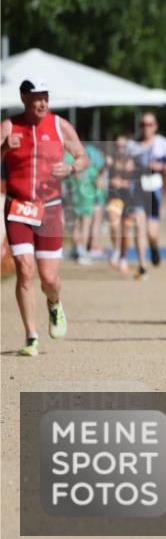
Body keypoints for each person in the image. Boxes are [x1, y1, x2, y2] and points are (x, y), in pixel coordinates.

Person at [1, 78, 89, 356]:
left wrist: (72, 168)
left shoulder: (60, 125)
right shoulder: (9, 126)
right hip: (18, 208)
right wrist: (4, 149)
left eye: (45, 97)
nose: (42, 103)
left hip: (50, 208)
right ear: (24, 98)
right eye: (36, 97)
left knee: (48, 278)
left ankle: (54, 302)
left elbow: (83, 156)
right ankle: (31, 337)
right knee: (24, 271)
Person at [128, 112, 166, 267]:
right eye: (143, 124)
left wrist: (160, 167)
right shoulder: (133, 145)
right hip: (137, 191)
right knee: (139, 228)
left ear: (155, 127)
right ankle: (142, 266)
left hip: (154, 192)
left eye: (150, 124)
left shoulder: (162, 143)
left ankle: (154, 248)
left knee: (152, 233)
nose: (146, 128)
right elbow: (124, 165)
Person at [105, 134, 142, 276]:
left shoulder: (131, 162)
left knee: (126, 230)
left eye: (123, 146)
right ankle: (115, 250)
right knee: (114, 224)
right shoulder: (110, 160)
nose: (120, 149)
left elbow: (133, 182)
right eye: (118, 146)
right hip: (114, 197)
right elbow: (102, 177)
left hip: (128, 198)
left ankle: (124, 258)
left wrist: (121, 183)